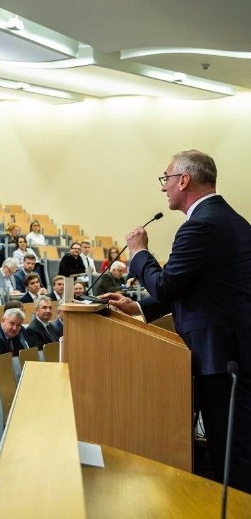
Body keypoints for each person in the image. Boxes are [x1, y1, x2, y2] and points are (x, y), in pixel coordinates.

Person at [104, 150, 251, 493]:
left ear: (184, 180)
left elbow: (167, 283)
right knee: (233, 450)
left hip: (221, 357)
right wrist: (139, 308)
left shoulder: (201, 225)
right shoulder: (228, 219)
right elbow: (192, 287)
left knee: (232, 457)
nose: (163, 188)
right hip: (231, 352)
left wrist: (139, 252)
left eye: (166, 179)